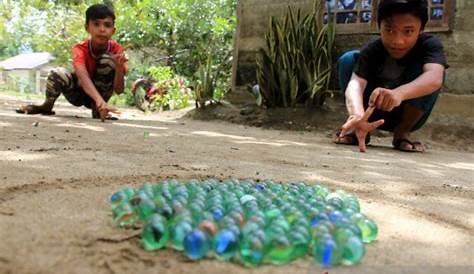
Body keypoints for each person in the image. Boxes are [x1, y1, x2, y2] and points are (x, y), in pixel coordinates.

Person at [334, 0, 447, 152]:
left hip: (406, 116)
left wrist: (399, 93)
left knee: (434, 71)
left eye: (408, 31)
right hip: (372, 112)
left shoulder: (430, 46)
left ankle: (402, 133)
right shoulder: (372, 51)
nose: (397, 41)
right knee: (348, 59)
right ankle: (360, 129)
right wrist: (357, 115)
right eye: (389, 30)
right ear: (379, 27)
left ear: (421, 29)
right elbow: (355, 85)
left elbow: (434, 78)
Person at [16, 4, 127, 122]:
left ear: (113, 31)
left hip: (100, 96)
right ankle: (47, 106)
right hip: (78, 94)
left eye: (107, 25)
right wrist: (100, 101)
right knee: (57, 73)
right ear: (87, 28)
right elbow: (82, 77)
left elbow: (119, 90)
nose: (102, 29)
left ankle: (98, 109)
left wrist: (119, 68)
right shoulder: (79, 49)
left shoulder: (117, 50)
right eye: (96, 24)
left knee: (108, 60)